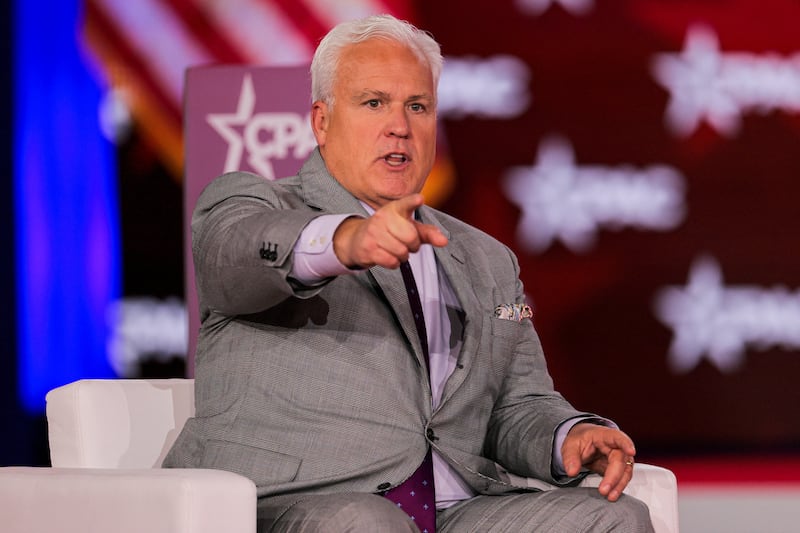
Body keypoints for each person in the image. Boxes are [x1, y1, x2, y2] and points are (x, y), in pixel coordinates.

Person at [164, 14, 654, 533]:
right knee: (367, 523)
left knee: (614, 519)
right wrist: (344, 240)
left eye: (417, 106)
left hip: (455, 511)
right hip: (302, 505)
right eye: (374, 103)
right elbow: (233, 255)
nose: (400, 125)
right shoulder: (254, 202)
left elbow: (517, 404)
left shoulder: (488, 259)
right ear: (322, 122)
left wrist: (566, 436)